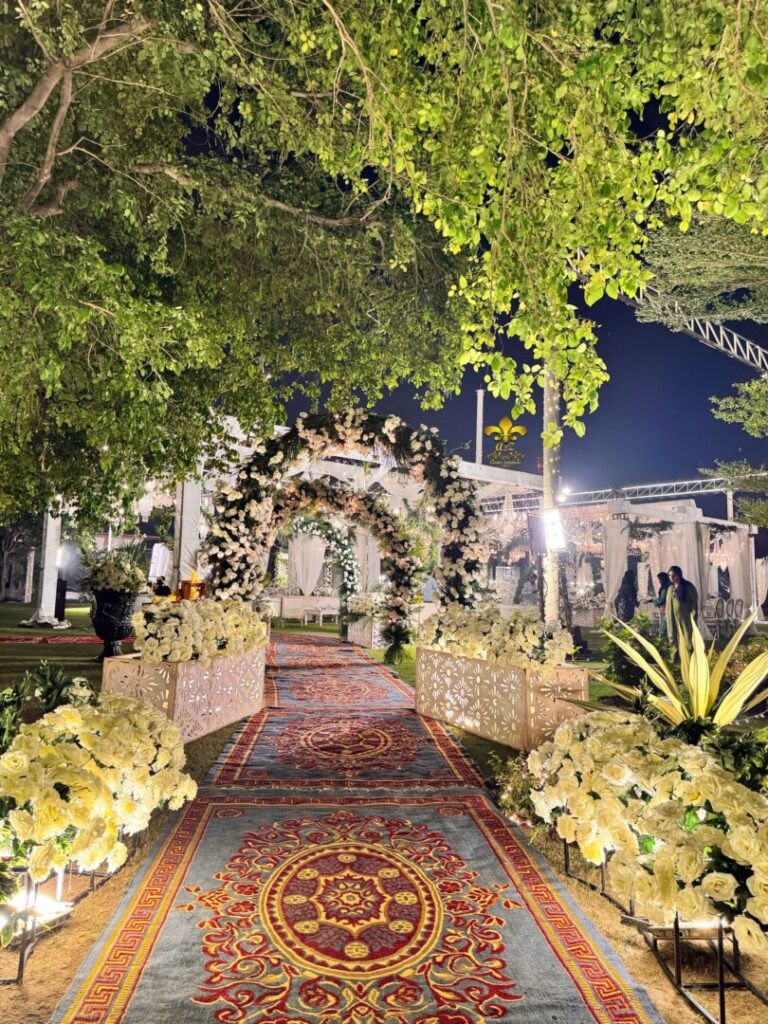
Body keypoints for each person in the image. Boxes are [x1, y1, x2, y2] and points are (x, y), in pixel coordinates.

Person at [665, 565, 699, 655]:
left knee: (687, 637)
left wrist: (693, 616)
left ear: (679, 575)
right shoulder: (670, 588)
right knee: (675, 636)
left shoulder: (688, 587)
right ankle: (676, 656)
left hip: (685, 618)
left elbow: (694, 603)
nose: (671, 578)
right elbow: (669, 605)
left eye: (674, 575)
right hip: (673, 618)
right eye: (670, 576)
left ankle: (689, 656)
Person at [654, 571, 671, 638]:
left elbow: (662, 599)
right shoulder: (669, 586)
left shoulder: (665, 588)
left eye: (659, 579)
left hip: (664, 609)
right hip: (667, 608)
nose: (659, 581)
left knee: (663, 627)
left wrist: (654, 601)